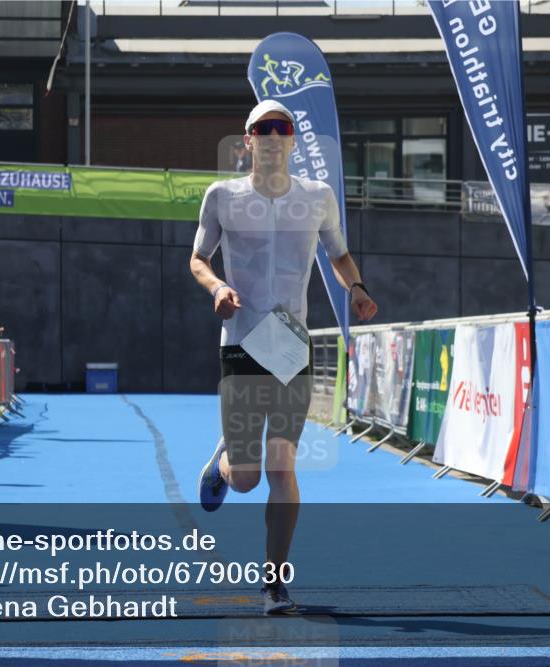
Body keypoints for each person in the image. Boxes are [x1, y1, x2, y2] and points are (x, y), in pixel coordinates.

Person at [190, 100, 378, 615]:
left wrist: (356, 288)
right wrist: (217, 287)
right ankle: (225, 461)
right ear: (247, 139)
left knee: (281, 465)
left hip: (290, 340)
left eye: (282, 128)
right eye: (262, 128)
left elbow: (338, 254)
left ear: (293, 140)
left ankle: (274, 583)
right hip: (243, 337)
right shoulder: (222, 196)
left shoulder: (317, 197)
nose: (273, 135)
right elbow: (198, 259)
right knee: (248, 477)